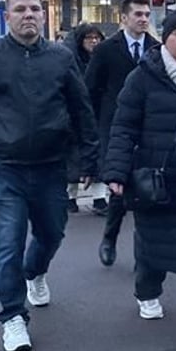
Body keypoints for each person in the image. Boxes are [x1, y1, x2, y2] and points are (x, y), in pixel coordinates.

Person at [0, 0, 99, 351]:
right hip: (2, 166)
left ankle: (36, 273)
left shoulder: (61, 57)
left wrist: (91, 158)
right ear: (7, 16)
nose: (28, 15)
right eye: (20, 10)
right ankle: (13, 316)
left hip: (50, 166)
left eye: (34, 9)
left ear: (43, 16)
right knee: (6, 244)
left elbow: (81, 109)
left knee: (52, 233)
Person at [102, 10, 176, 344]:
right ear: (165, 39)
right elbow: (123, 126)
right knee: (153, 246)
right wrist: (115, 171)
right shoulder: (143, 77)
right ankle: (147, 291)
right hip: (156, 179)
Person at [85, 0, 159, 266]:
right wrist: (93, 129)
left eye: (147, 14)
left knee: (146, 189)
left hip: (148, 127)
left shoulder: (156, 49)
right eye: (138, 14)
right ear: (124, 18)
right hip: (114, 127)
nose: (143, 19)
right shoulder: (106, 49)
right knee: (118, 186)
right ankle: (109, 238)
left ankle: (144, 252)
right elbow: (90, 90)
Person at [65, 23, 107, 213]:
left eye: (96, 38)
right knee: (72, 158)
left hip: (98, 113)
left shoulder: (104, 59)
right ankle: (70, 196)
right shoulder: (71, 60)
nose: (93, 41)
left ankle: (99, 197)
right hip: (74, 115)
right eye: (89, 38)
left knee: (99, 155)